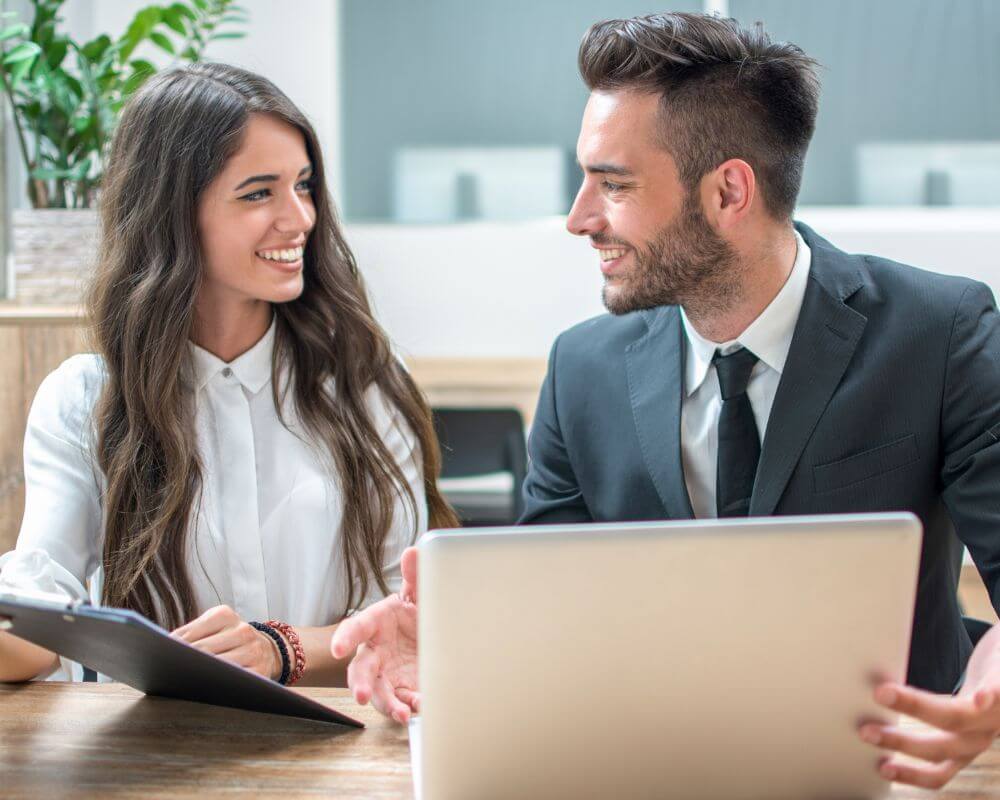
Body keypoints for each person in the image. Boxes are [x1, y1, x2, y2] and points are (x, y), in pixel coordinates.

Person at [332, 12, 1000, 790]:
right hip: (643, 769)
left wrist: (988, 692)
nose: (580, 218)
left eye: (613, 185)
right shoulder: (583, 367)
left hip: (888, 775)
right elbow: (553, 606)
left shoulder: (940, 334)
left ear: (728, 191)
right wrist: (462, 639)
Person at [0, 63, 456, 686]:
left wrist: (278, 648)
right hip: (149, 762)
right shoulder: (84, 400)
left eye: (304, 185)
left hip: (334, 761)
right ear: (172, 213)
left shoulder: (365, 382)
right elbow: (35, 609)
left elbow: (404, 616)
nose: (299, 218)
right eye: (258, 193)